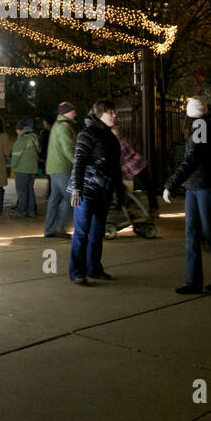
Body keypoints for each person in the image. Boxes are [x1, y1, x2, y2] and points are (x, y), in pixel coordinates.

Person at [163, 96, 211, 294]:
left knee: (203, 233)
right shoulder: (203, 126)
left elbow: (192, 159)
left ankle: (202, 280)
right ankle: (208, 279)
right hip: (200, 186)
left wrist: (171, 183)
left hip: (202, 186)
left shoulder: (200, 127)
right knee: (202, 233)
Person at [68, 100, 126, 285]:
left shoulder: (110, 137)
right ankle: (77, 271)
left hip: (103, 191)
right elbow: (79, 162)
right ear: (101, 113)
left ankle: (94, 268)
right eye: (111, 112)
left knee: (97, 232)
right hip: (86, 191)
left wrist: (119, 189)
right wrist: (77, 189)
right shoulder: (88, 134)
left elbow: (115, 167)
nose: (115, 115)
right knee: (82, 232)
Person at [44, 102, 77, 239]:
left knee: (54, 200)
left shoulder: (57, 126)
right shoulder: (64, 127)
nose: (75, 113)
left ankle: (50, 229)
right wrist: (78, 163)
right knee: (70, 198)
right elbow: (68, 149)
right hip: (62, 168)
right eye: (73, 111)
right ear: (66, 112)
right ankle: (59, 228)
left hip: (54, 168)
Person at [11, 119, 41, 217]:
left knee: (21, 191)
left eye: (17, 130)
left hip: (21, 169)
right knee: (30, 189)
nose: (16, 132)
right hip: (32, 169)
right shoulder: (34, 138)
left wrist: (12, 166)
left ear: (21, 130)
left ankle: (21, 211)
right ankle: (31, 211)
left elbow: (16, 156)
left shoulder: (22, 139)